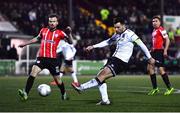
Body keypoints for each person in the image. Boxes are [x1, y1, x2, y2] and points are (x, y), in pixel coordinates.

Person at [72, 17, 155, 105]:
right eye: (115, 27)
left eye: (118, 27)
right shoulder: (117, 34)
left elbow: (142, 45)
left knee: (101, 76)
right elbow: (108, 42)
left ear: (123, 25)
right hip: (114, 59)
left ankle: (81, 88)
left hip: (121, 61)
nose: (116, 29)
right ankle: (105, 100)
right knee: (100, 76)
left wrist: (149, 57)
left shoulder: (131, 35)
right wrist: (93, 46)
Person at [18, 14, 73, 101]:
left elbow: (70, 42)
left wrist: (69, 34)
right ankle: (25, 93)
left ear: (57, 23)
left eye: (54, 21)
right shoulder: (43, 30)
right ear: (48, 22)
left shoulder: (60, 33)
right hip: (41, 58)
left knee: (58, 81)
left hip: (52, 61)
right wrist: (25, 44)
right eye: (50, 21)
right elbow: (36, 38)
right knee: (33, 73)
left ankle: (64, 94)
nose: (52, 23)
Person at [147, 16, 174, 96]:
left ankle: (169, 88)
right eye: (153, 21)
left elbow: (167, 39)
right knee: (150, 68)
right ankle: (155, 88)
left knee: (161, 70)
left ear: (159, 22)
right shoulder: (154, 30)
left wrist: (165, 50)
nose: (154, 23)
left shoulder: (161, 29)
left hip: (159, 51)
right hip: (154, 51)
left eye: (156, 21)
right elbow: (155, 42)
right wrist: (151, 49)